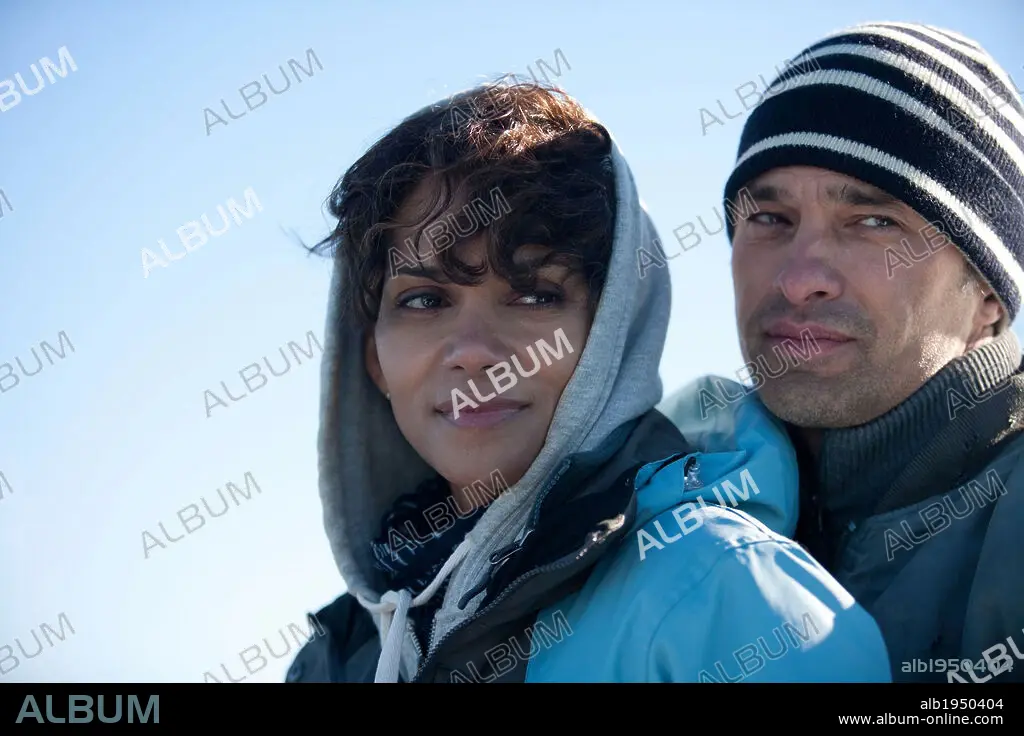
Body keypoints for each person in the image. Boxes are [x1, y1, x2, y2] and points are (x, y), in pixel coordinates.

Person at [284, 81, 890, 683]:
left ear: (612, 333)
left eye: (532, 295)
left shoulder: (719, 588)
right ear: (372, 361)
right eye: (423, 300)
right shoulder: (340, 657)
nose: (471, 352)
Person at [716, 21, 1024, 683]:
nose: (800, 278)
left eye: (874, 222)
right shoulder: (658, 503)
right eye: (770, 219)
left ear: (990, 293)